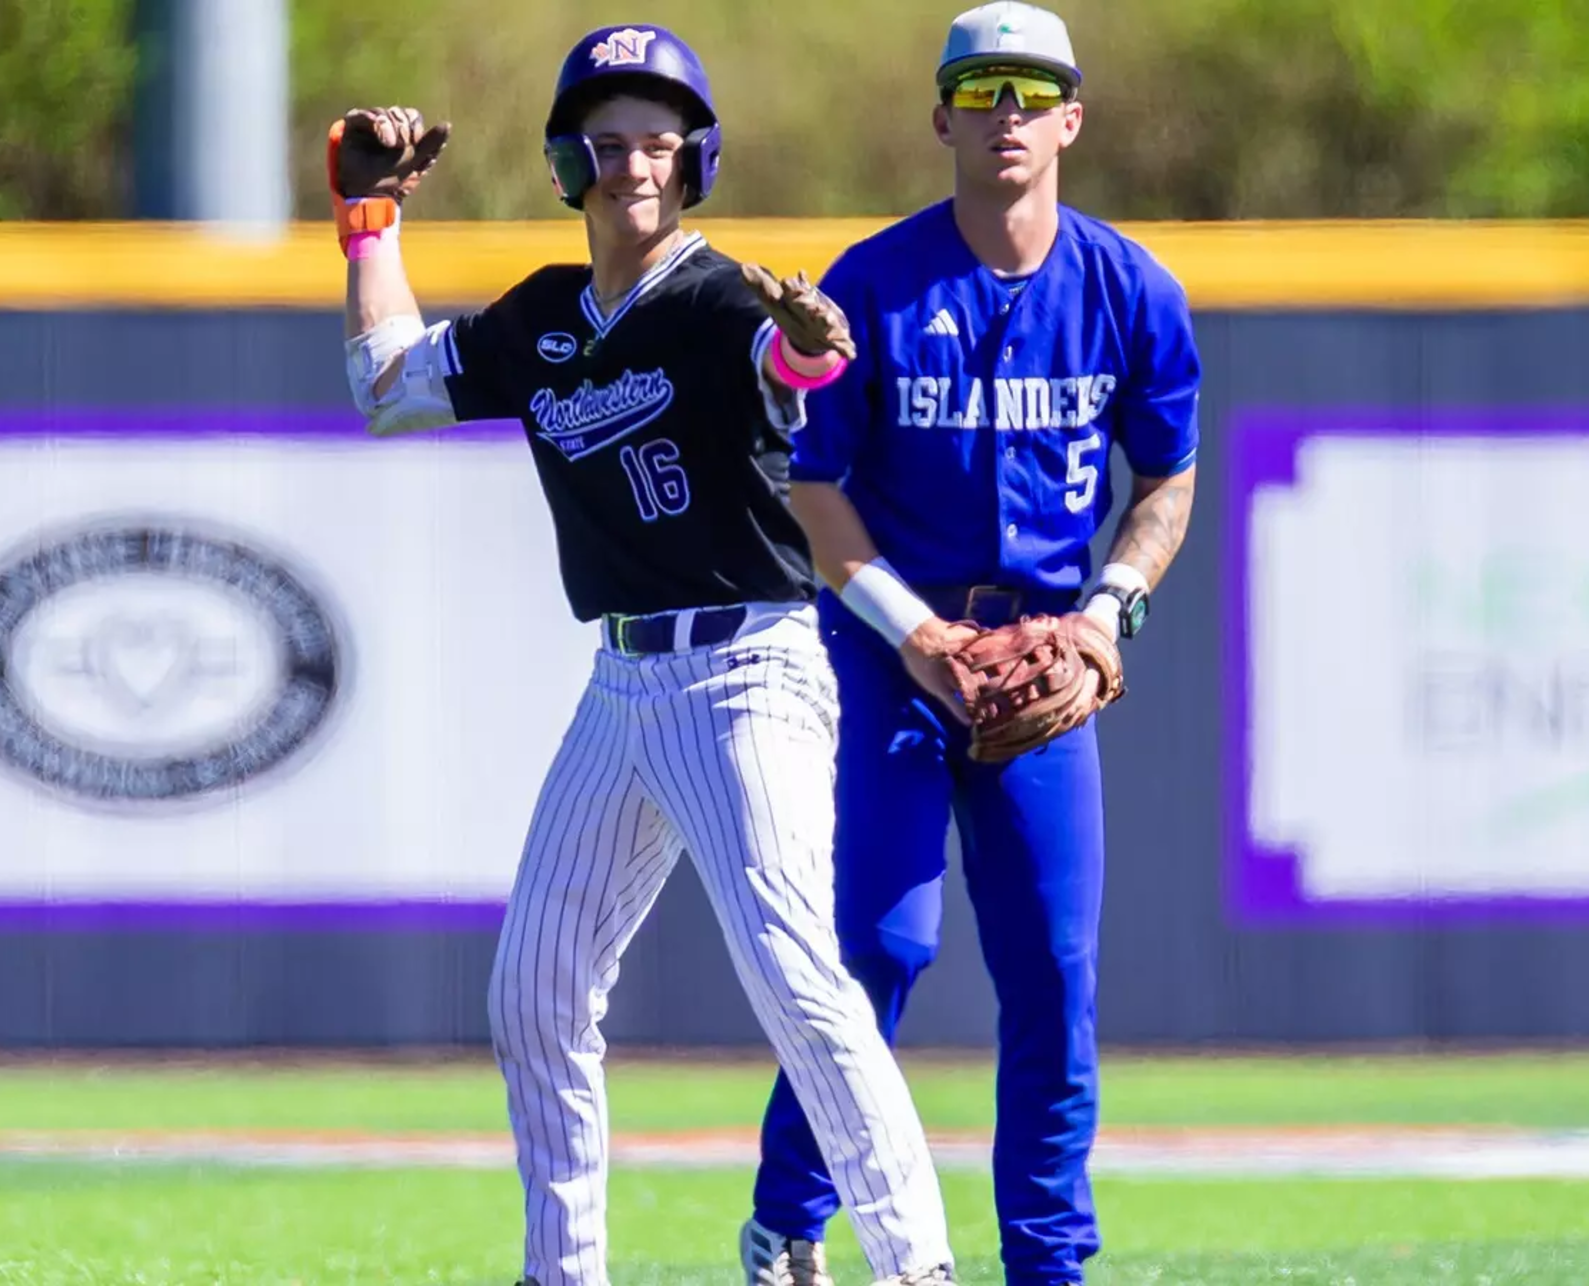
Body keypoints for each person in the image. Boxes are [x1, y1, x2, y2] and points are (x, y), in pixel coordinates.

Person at [326, 22, 957, 1286]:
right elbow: (388, 386)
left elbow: (792, 364)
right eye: (607, 142)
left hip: (748, 671)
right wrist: (369, 222)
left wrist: (808, 345)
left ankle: (915, 1267)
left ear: (697, 159)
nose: (633, 164)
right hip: (623, 683)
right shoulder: (544, 316)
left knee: (796, 975)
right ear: (568, 163)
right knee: (536, 988)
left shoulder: (722, 300)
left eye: (659, 141)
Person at [739, 4, 1202, 1284]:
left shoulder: (1129, 288)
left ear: (1072, 119)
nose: (1006, 112)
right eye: (981, 88)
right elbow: (811, 483)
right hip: (892, 645)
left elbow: (1166, 476)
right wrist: (915, 632)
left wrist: (1108, 613)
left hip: (1044, 658)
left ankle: (1049, 1263)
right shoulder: (873, 281)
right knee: (878, 947)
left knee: (1053, 969)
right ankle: (789, 1218)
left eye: (1031, 90)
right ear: (940, 116)